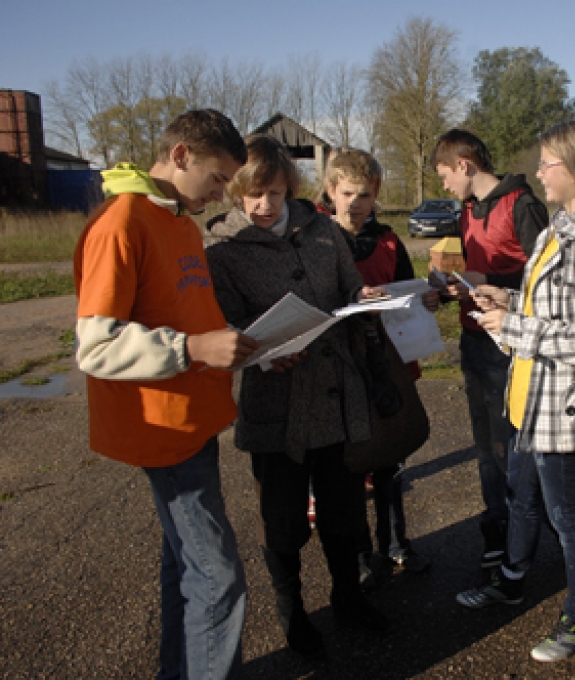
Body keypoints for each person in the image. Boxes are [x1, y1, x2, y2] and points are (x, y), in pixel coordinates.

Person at [73, 109, 254, 680]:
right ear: (180, 157)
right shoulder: (121, 223)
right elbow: (96, 346)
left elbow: (184, 310)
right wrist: (196, 350)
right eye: (219, 178)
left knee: (189, 566)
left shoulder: (175, 218)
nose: (223, 192)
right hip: (164, 431)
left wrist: (243, 344)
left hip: (192, 421)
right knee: (217, 579)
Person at [454, 120, 575, 663]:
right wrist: (508, 301)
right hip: (529, 397)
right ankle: (510, 580)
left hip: (562, 405)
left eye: (547, 164)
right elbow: (554, 307)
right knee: (523, 499)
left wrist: (513, 329)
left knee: (569, 515)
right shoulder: (559, 225)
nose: (538, 173)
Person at [204, 135, 389, 660]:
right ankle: (294, 615)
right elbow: (225, 323)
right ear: (238, 194)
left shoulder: (322, 229)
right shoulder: (223, 251)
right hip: (277, 401)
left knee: (344, 513)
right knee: (282, 521)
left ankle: (349, 600)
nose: (266, 206)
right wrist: (260, 351)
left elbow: (349, 287)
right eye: (255, 195)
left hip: (336, 396)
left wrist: (364, 298)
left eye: (276, 193)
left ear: (291, 189)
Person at [430, 129, 548, 570]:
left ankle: (525, 532)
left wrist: (497, 288)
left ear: (464, 165)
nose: (443, 185)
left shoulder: (522, 205)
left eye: (444, 175)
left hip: (510, 344)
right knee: (486, 446)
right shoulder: (465, 211)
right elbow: (474, 272)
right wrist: (450, 287)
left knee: (511, 446)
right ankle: (496, 530)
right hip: (474, 339)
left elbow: (548, 282)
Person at [321, 146, 439, 579]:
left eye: (365, 195)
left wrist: (429, 299)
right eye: (348, 193)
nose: (356, 203)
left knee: (391, 459)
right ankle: (359, 555)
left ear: (376, 194)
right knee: (351, 468)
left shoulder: (389, 240)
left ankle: (396, 544)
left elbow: (411, 291)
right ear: (331, 191)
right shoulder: (317, 241)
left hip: (388, 362)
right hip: (341, 367)